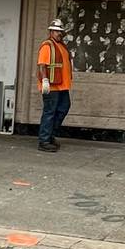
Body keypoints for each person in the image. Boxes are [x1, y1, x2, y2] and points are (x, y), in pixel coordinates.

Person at [36, 18, 73, 153]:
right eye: (56, 31)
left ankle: (50, 135)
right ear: (51, 32)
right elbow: (42, 65)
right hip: (52, 86)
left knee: (63, 108)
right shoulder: (47, 46)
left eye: (60, 32)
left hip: (62, 86)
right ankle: (44, 141)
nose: (59, 34)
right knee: (50, 112)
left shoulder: (61, 45)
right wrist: (45, 80)